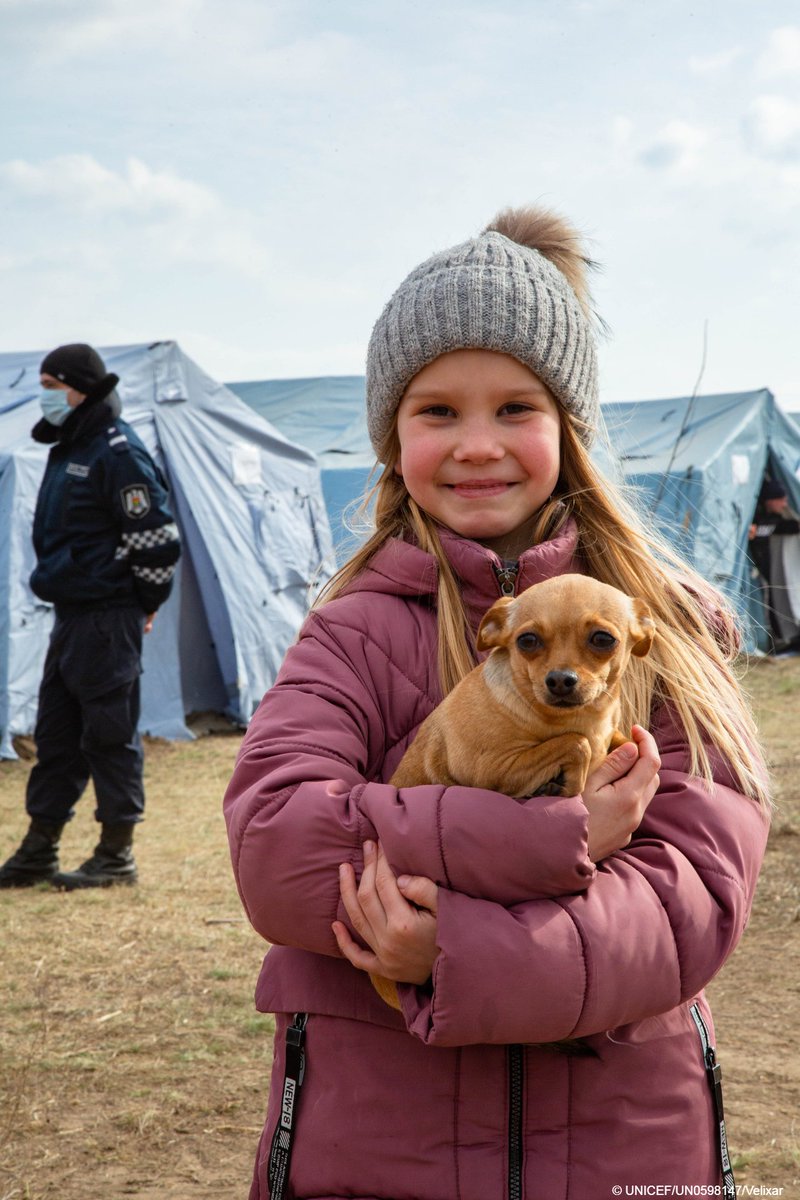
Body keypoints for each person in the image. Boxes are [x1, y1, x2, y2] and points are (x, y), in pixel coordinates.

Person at [223, 208, 770, 1197]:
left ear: (570, 428)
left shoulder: (668, 632)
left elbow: (691, 899)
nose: (476, 444)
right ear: (392, 436)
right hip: (381, 1151)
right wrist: (561, 838)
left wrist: (454, 948)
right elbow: (274, 847)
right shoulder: (348, 631)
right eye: (436, 411)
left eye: (515, 407)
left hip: (619, 1148)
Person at [0, 343, 181, 890]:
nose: (45, 397)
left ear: (80, 386)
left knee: (108, 735)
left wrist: (145, 604)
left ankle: (115, 855)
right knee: (56, 736)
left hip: (107, 617)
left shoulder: (117, 452)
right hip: (71, 615)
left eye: (52, 386)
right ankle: (39, 849)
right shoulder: (69, 447)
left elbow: (158, 540)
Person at [748, 478, 800, 653]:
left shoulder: (775, 519)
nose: (785, 503)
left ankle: (778, 638)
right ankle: (765, 642)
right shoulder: (754, 517)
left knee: (772, 599)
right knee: (762, 601)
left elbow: (788, 527)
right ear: (770, 500)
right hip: (751, 568)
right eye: (782, 499)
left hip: (765, 567)